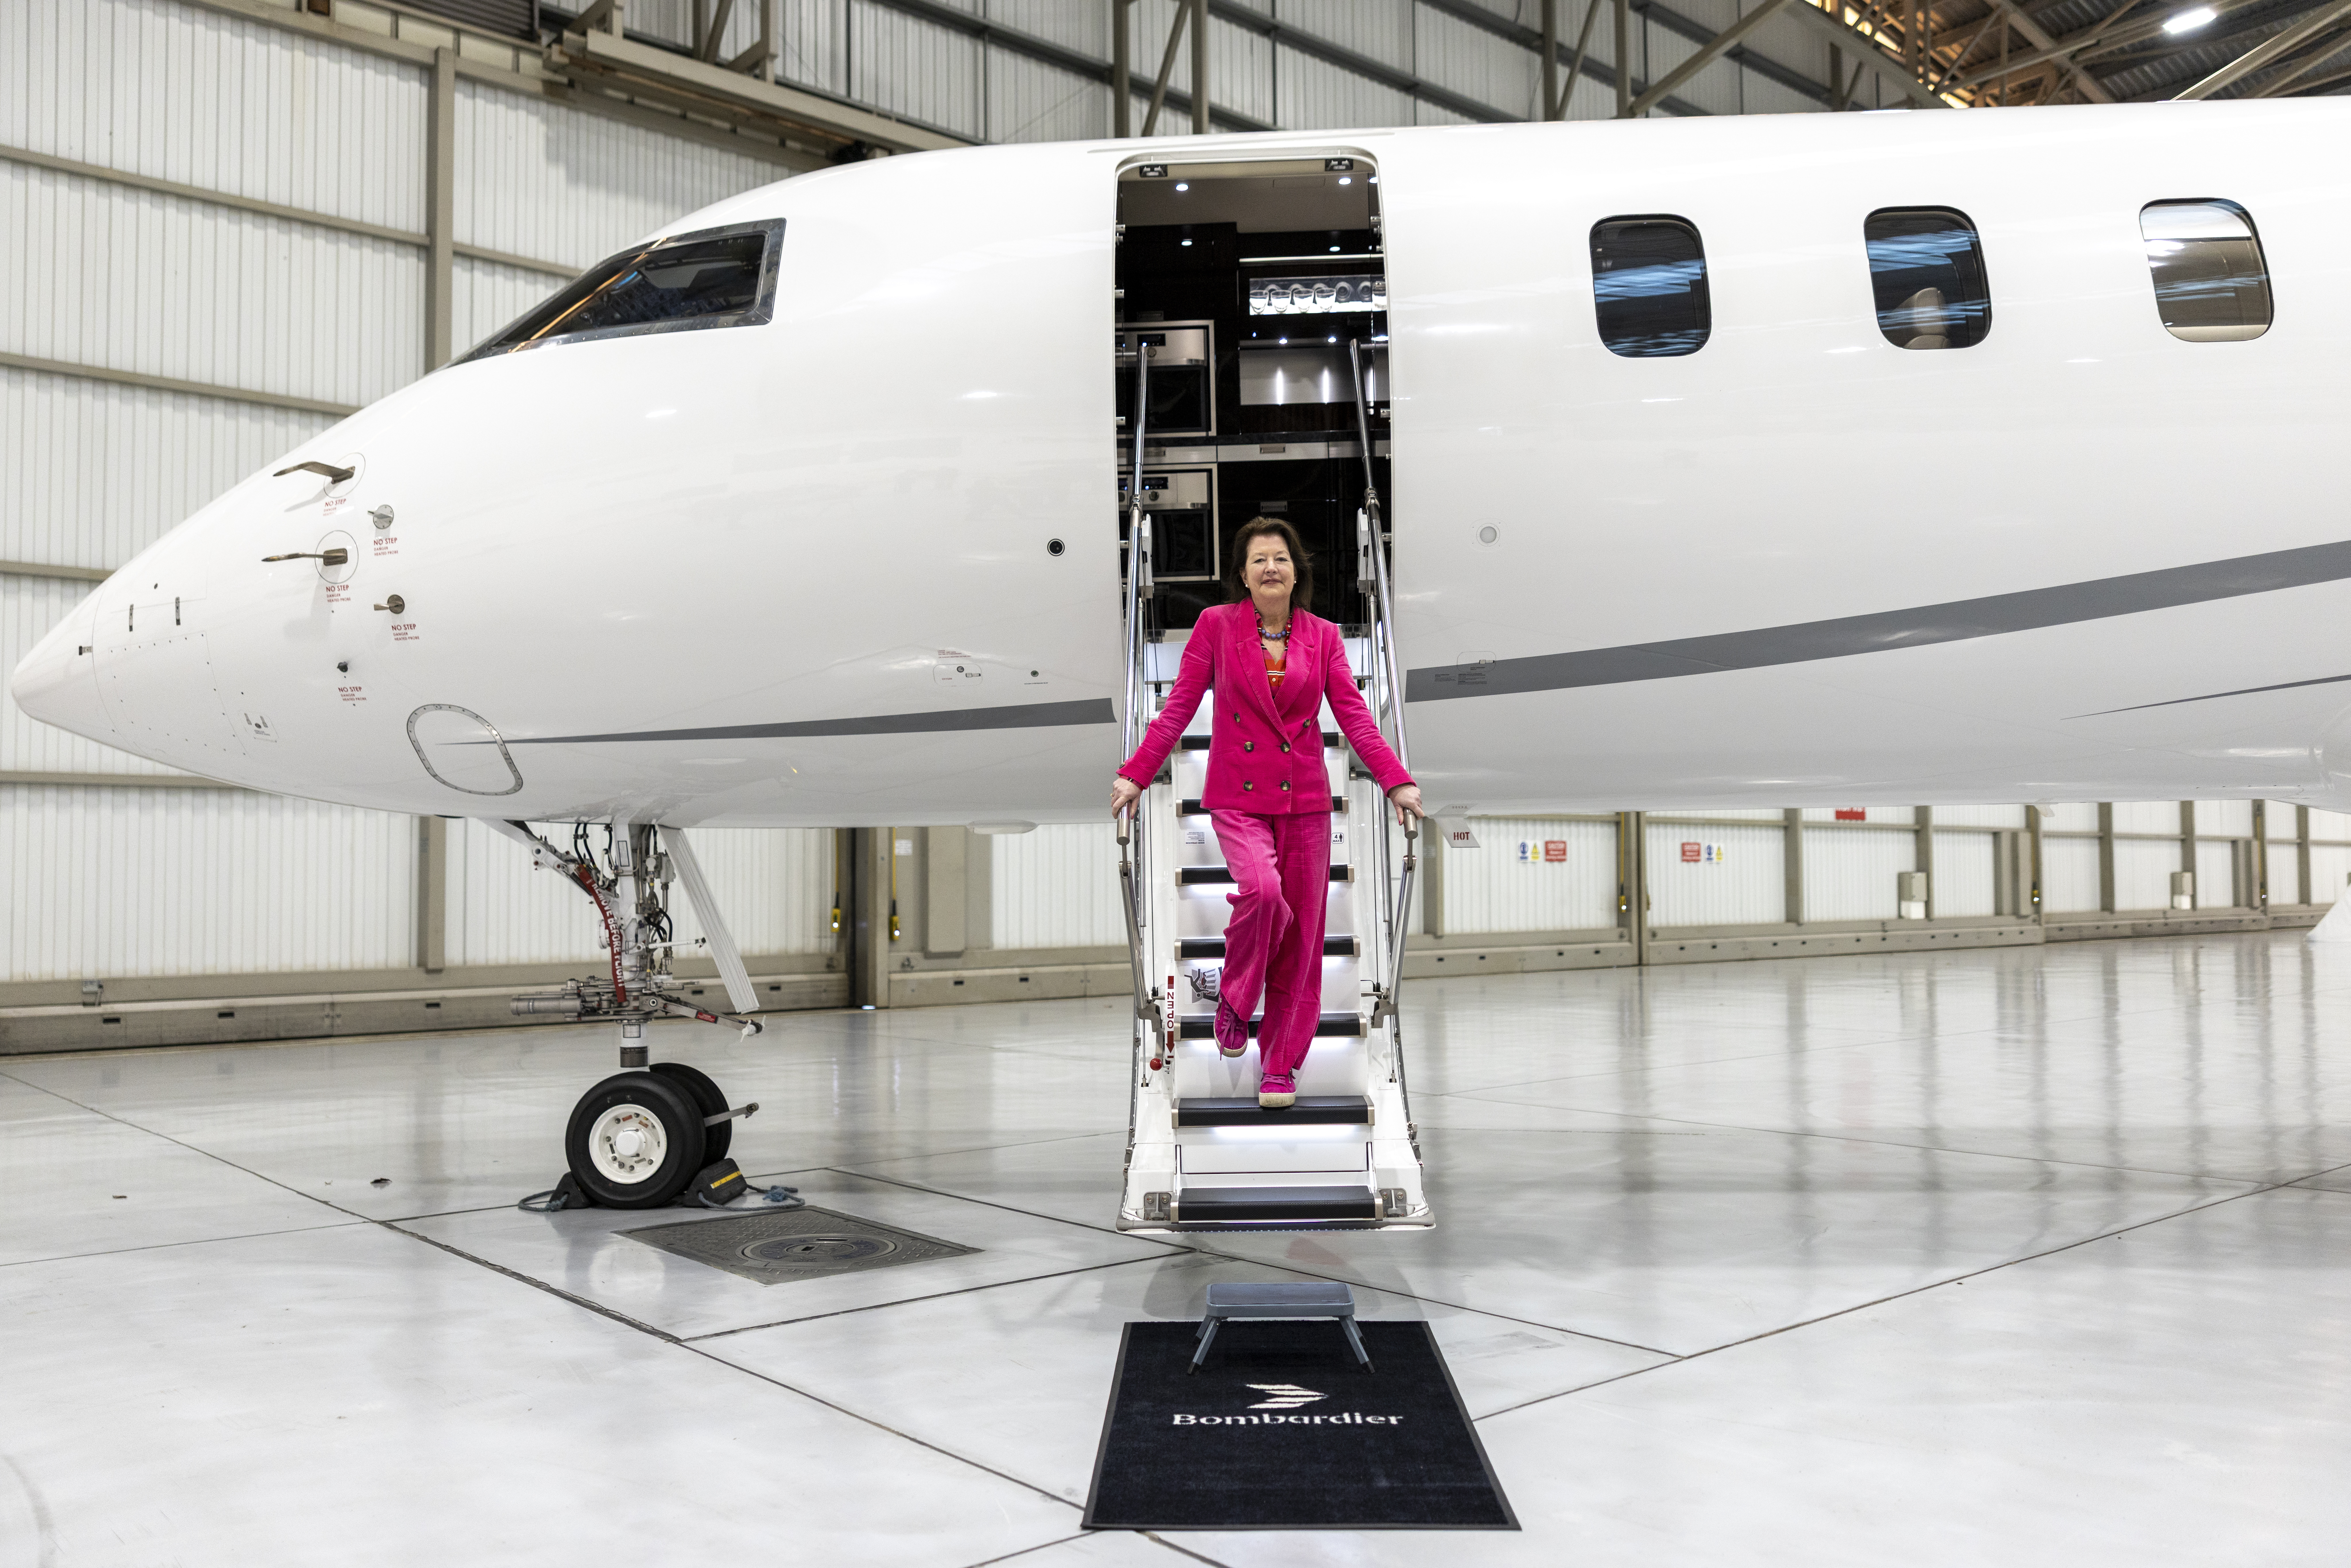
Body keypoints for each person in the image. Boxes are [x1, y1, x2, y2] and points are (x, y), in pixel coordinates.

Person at [1112, 517, 1421, 1109]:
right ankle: (1235, 995)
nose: (1271, 567)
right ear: (1244, 576)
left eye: (1280, 557)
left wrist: (1396, 781)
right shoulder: (1216, 627)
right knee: (1263, 891)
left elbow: (1355, 718)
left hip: (1303, 801)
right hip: (1239, 795)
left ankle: (1280, 1063)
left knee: (1303, 941)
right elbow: (1179, 705)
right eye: (1258, 560)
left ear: (1296, 569)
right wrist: (1137, 771)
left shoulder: (1323, 636)